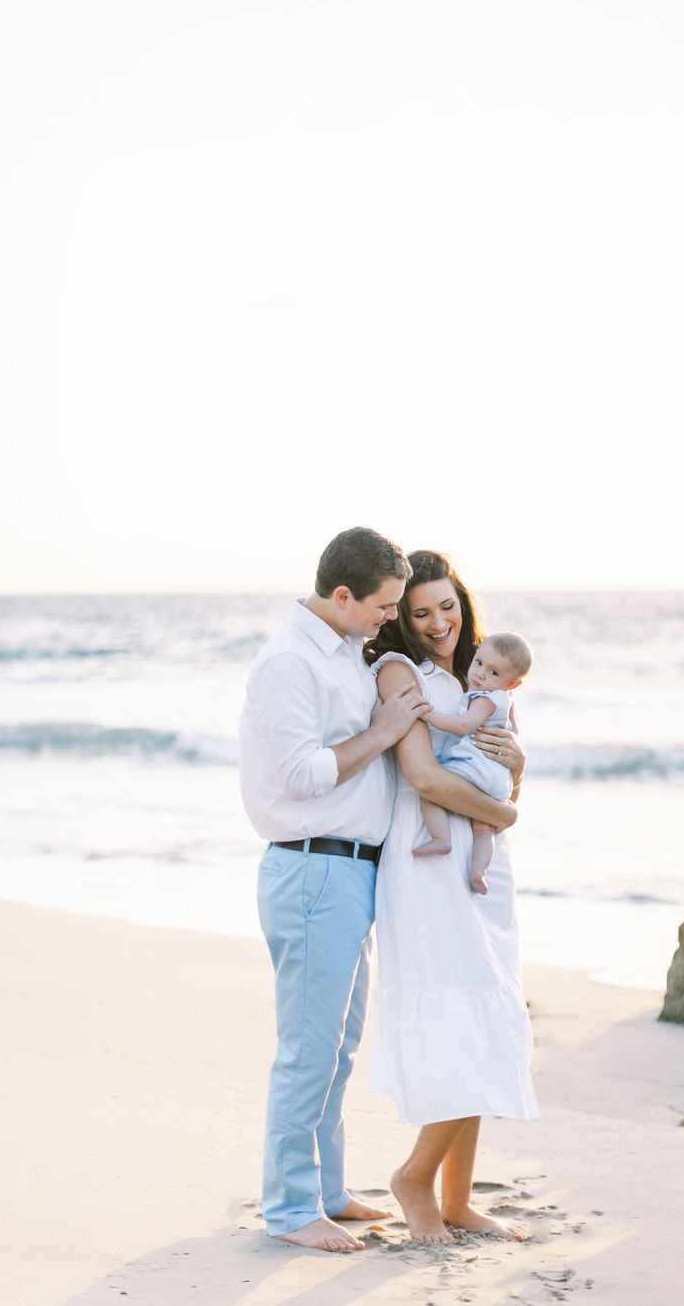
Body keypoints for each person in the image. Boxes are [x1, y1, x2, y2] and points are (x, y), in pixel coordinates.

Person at [238, 527, 433, 1254]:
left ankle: (323, 1188)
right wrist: (384, 732)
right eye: (383, 606)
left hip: (348, 869)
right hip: (313, 865)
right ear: (342, 594)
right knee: (309, 1048)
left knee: (338, 1045)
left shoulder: (348, 652)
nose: (391, 618)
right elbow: (303, 774)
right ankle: (290, 1208)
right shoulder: (290, 662)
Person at [363, 550, 539, 1245]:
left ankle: (459, 1198)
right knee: (459, 1021)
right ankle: (415, 1178)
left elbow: (500, 776)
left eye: (448, 606)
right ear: (402, 616)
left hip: (481, 867)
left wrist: (517, 775)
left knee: (488, 1018)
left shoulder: (479, 677)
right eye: (420, 610)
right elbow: (425, 777)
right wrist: (505, 814)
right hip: (429, 858)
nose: (439, 622)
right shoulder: (399, 673)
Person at [413, 632, 533, 895]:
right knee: (483, 828)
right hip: (497, 779)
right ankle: (478, 873)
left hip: (474, 768)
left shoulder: (486, 699)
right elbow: (514, 732)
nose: (480, 674)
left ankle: (441, 839)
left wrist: (429, 715)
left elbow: (463, 724)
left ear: (512, 684)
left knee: (430, 794)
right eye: (479, 663)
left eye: (493, 673)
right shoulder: (505, 701)